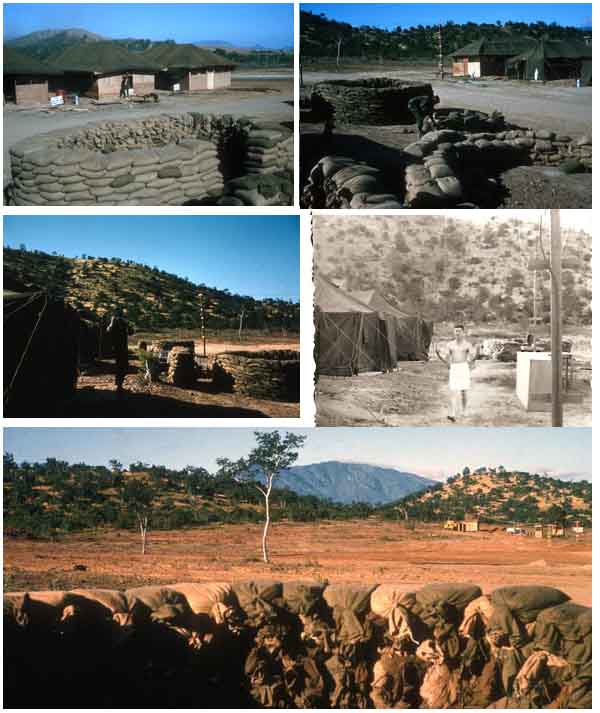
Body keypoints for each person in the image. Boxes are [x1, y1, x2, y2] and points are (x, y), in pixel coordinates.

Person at [435, 325, 477, 422]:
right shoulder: (450, 344)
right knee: (453, 391)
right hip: (454, 368)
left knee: (464, 391)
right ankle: (453, 413)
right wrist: (438, 354)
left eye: (459, 331)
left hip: (463, 367)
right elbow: (446, 358)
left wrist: (475, 355)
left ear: (463, 333)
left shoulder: (467, 345)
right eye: (455, 331)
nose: (457, 333)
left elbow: (472, 358)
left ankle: (464, 411)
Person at [106, 310, 133, 393]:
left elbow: (131, 332)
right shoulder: (116, 322)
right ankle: (119, 386)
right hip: (119, 348)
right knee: (121, 366)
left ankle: (119, 385)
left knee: (122, 366)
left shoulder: (122, 323)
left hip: (120, 348)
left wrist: (127, 324)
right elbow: (109, 330)